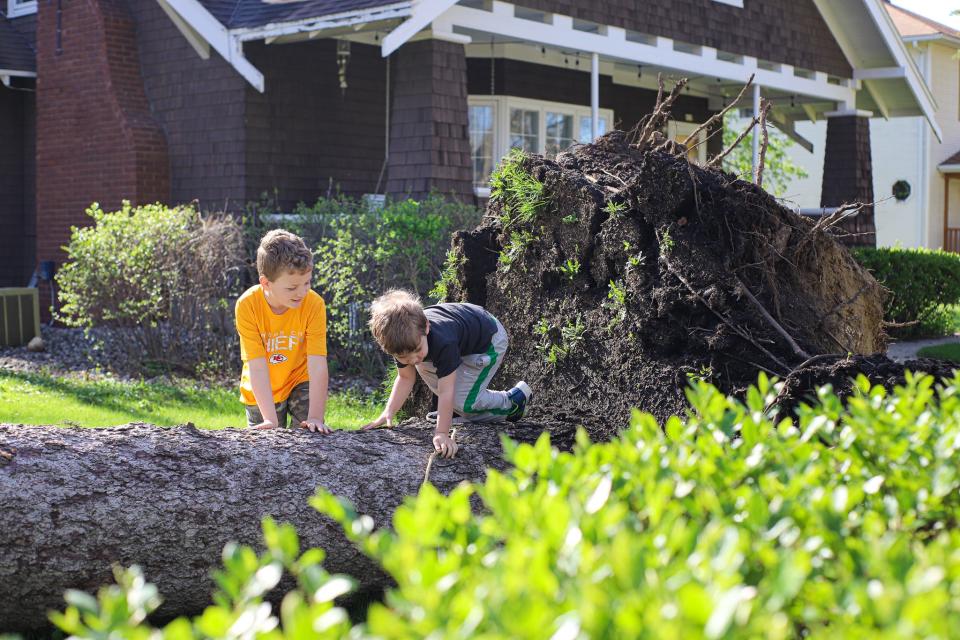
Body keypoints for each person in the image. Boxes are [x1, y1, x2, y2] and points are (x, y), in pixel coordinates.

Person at [362, 289, 531, 458]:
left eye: (416, 350)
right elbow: (406, 377)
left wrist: (442, 433)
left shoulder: (443, 342)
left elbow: (446, 390)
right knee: (426, 366)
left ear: (426, 327)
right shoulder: (404, 341)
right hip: (462, 338)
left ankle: (513, 402)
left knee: (464, 402)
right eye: (403, 357)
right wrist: (389, 412)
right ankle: (454, 411)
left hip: (488, 340)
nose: (413, 359)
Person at [235, 229, 331, 433]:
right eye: (292, 288)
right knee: (266, 448)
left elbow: (317, 363)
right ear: (266, 283)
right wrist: (270, 419)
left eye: (307, 283)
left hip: (301, 378)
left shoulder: (314, 304)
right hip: (262, 386)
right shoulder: (247, 305)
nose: (302, 292)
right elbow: (257, 366)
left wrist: (315, 416)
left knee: (310, 438)